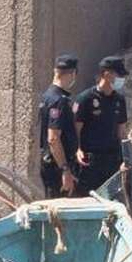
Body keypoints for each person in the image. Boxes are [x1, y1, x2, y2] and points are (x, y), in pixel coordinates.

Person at [74, 56, 129, 196]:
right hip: (91, 162)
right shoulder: (85, 99)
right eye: (118, 75)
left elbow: (121, 132)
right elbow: (76, 129)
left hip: (112, 161)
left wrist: (127, 157)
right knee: (88, 200)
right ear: (106, 74)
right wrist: (77, 149)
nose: (121, 79)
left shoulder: (119, 100)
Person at [38, 53, 79, 198]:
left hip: (51, 165)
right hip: (57, 168)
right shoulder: (59, 100)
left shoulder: (47, 96)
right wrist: (65, 170)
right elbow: (53, 138)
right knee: (59, 214)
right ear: (72, 73)